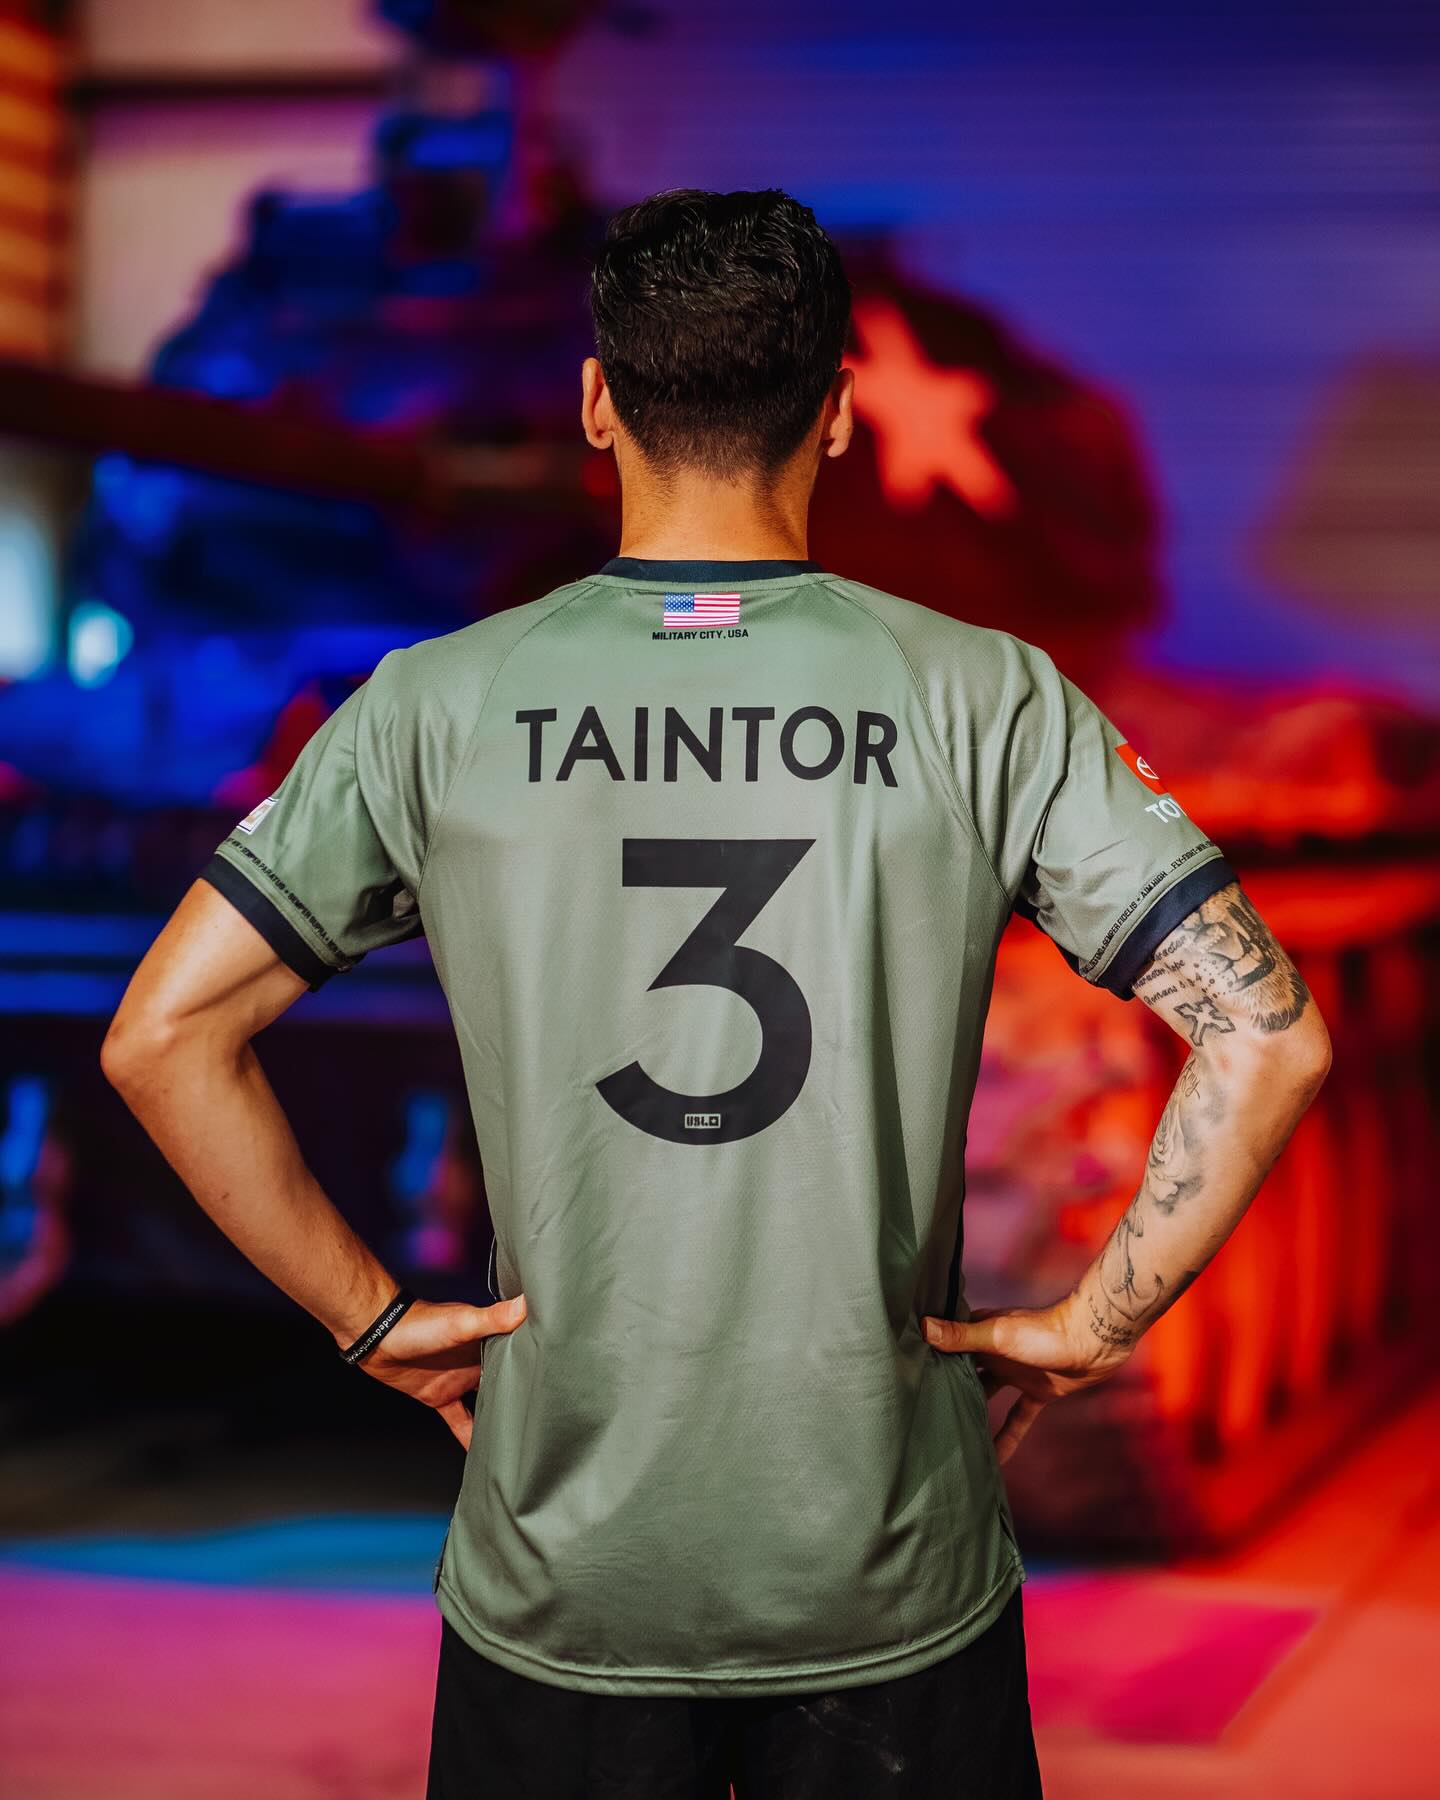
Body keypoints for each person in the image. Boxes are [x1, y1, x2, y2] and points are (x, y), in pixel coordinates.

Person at [102, 189, 1332, 1799]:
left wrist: (376, 1323)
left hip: (561, 1587)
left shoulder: (433, 705)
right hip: (892, 1584)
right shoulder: (988, 697)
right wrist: (1083, 1331)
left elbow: (162, 1036)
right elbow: (1267, 1036)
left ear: (596, 403)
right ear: (839, 413)